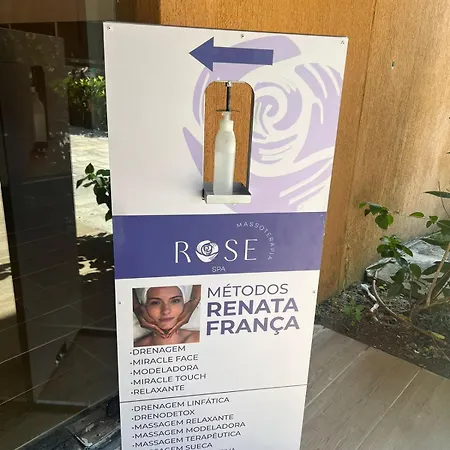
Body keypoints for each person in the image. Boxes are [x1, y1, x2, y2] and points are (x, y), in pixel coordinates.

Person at [133, 285, 200, 347]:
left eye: (175, 301)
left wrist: (195, 299)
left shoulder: (200, 339)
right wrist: (135, 307)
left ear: (184, 304)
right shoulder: (135, 347)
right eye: (155, 303)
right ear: (144, 307)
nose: (166, 311)